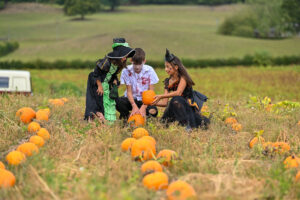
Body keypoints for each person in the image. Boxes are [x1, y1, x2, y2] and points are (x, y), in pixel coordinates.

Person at [152, 49, 210, 129]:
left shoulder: (183, 78)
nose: (166, 69)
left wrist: (161, 96)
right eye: (165, 67)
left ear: (176, 67)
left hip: (187, 107)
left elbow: (179, 92)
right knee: (163, 122)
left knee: (176, 99)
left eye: (168, 67)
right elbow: (165, 103)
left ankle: (187, 126)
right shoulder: (167, 81)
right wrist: (152, 102)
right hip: (176, 106)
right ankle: (182, 124)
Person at [84, 38, 135, 122]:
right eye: (124, 56)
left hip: (107, 82)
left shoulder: (119, 65)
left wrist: (115, 80)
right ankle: (93, 118)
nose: (125, 58)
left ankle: (109, 119)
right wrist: (99, 86)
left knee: (110, 99)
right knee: (97, 99)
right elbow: (96, 73)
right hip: (96, 80)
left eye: (126, 56)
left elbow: (113, 74)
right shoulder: (107, 62)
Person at [116, 48, 159, 120]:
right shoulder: (126, 71)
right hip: (131, 99)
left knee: (153, 111)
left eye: (140, 64)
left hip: (145, 100)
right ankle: (127, 115)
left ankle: (142, 115)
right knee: (117, 102)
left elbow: (151, 91)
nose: (137, 67)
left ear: (144, 61)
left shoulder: (150, 70)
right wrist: (133, 105)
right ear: (131, 61)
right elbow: (129, 91)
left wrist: (144, 106)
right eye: (135, 64)